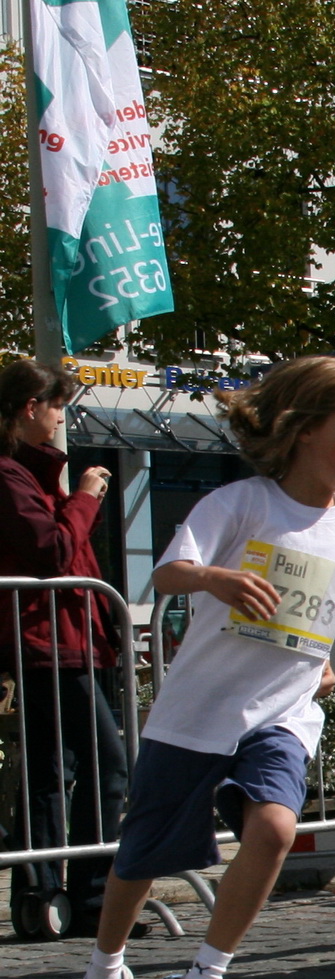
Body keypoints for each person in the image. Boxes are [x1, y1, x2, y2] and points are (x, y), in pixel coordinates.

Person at [61, 356, 335, 979]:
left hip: (283, 711)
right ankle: (103, 973)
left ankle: (204, 977)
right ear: (304, 427)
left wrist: (320, 659)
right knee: (141, 859)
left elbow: (315, 604)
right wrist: (217, 577)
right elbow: (170, 571)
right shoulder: (239, 504)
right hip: (198, 710)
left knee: (274, 826)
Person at [0, 358, 126, 936]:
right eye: (57, 407)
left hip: (69, 642)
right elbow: (51, 551)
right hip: (44, 644)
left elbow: (73, 560)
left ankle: (49, 897)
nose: (59, 419)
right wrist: (85, 497)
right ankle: (82, 896)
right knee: (105, 765)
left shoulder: (31, 474)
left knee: (57, 768)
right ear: (32, 409)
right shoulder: (10, 476)